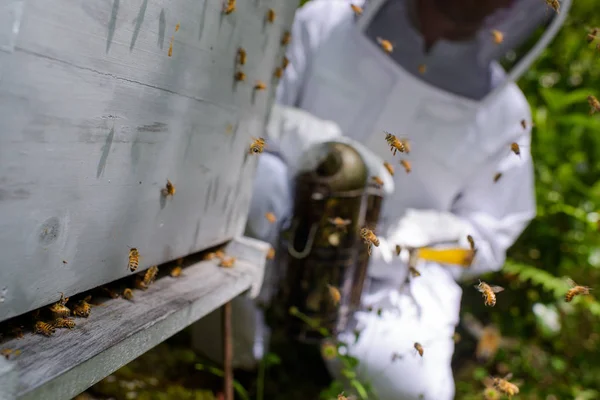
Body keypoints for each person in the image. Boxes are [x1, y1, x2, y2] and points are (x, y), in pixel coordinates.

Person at [243, 0, 571, 399]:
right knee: (253, 185)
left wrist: (428, 237)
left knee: (413, 390)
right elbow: (250, 108)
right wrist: (305, 138)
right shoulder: (328, 20)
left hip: (390, 280)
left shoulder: (505, 114)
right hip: (284, 220)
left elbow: (488, 236)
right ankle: (235, 355)